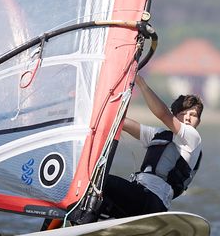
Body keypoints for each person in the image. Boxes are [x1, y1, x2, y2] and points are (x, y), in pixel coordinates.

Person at [73, 75, 203, 223]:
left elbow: (162, 114)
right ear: (175, 114)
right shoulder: (159, 134)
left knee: (100, 182)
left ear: (198, 121)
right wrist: (90, 106)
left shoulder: (193, 138)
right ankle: (76, 227)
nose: (187, 118)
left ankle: (83, 225)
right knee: (89, 188)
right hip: (137, 194)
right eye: (183, 114)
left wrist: (141, 83)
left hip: (153, 201)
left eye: (193, 115)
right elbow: (122, 123)